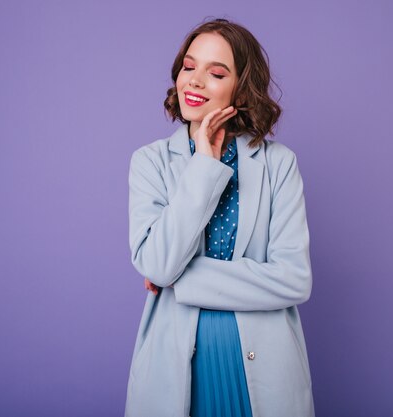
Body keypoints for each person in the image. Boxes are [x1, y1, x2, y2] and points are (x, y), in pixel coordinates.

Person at [125, 18, 314, 417]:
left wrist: (180, 279)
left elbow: (294, 279)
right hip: (178, 369)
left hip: (264, 372)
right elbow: (158, 264)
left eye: (216, 73)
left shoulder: (278, 164)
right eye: (188, 67)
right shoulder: (150, 162)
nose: (194, 81)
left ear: (240, 88)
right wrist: (204, 166)